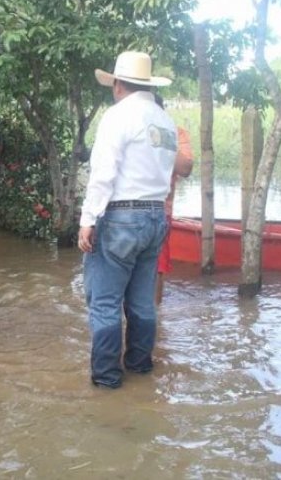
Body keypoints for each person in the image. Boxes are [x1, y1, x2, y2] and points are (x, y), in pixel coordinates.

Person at [78, 51, 176, 389]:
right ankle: (139, 366)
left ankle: (106, 379)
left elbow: (103, 173)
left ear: (118, 84)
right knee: (141, 301)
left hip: (121, 216)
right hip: (155, 215)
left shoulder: (118, 116)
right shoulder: (163, 120)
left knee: (104, 302)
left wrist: (88, 219)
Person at [153, 95, 194, 305]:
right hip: (127, 209)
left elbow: (185, 167)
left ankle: (155, 318)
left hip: (160, 211)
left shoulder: (176, 134)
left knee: (157, 266)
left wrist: (160, 136)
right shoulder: (128, 127)